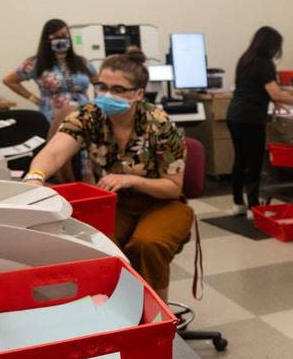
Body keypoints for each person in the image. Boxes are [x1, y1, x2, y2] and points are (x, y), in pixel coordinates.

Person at [23, 52, 193, 300]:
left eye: (118, 89)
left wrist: (131, 179)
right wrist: (35, 178)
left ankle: (159, 316)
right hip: (113, 203)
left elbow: (172, 188)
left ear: (138, 94)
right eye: (101, 86)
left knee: (146, 244)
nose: (106, 95)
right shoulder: (89, 116)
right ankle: (113, 311)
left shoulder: (160, 124)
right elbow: (56, 151)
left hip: (163, 202)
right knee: (96, 243)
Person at [227, 26, 293, 217]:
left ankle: (238, 203)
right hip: (251, 118)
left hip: (235, 115)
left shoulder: (245, 59)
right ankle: (254, 207)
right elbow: (275, 92)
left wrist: (275, 100)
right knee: (254, 162)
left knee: (240, 160)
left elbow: (254, 88)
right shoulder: (264, 63)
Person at [2, 18, 95, 134]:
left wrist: (97, 106)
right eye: (56, 36)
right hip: (52, 117)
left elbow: (99, 83)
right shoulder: (36, 63)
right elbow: (9, 80)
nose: (62, 39)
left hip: (83, 116)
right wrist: (34, 99)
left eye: (65, 35)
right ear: (47, 39)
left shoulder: (82, 62)